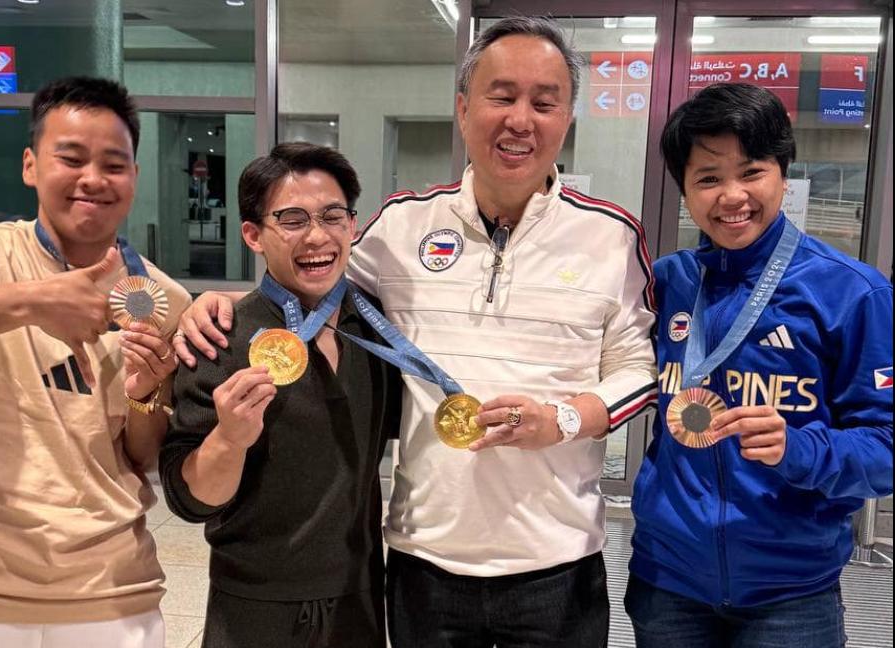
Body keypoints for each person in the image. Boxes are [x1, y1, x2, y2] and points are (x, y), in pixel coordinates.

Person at [176, 17, 657, 647]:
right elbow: (316, 275)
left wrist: (563, 420)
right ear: (463, 108)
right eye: (501, 96)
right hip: (423, 561)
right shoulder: (402, 226)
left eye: (545, 102)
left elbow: (637, 369)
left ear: (568, 117)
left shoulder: (610, 235)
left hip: (557, 561)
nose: (521, 120)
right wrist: (217, 301)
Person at [0, 77, 191, 648]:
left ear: (133, 176)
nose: (93, 180)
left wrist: (144, 392)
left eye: (114, 164)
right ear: (31, 165)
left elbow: (141, 455)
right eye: (71, 158)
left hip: (110, 593)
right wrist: (30, 302)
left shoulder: (160, 298)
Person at [624, 82, 893, 648]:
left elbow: (887, 447)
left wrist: (800, 449)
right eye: (707, 178)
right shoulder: (667, 284)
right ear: (685, 190)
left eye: (751, 171)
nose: (731, 196)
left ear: (782, 173)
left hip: (791, 595)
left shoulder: (851, 292)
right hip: (667, 583)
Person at [160, 142, 401, 648]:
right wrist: (229, 439)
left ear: (353, 226)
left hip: (358, 593)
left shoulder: (382, 329)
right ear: (253, 234)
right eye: (291, 220)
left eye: (333, 216)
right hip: (254, 602)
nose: (318, 236)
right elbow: (189, 500)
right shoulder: (219, 338)